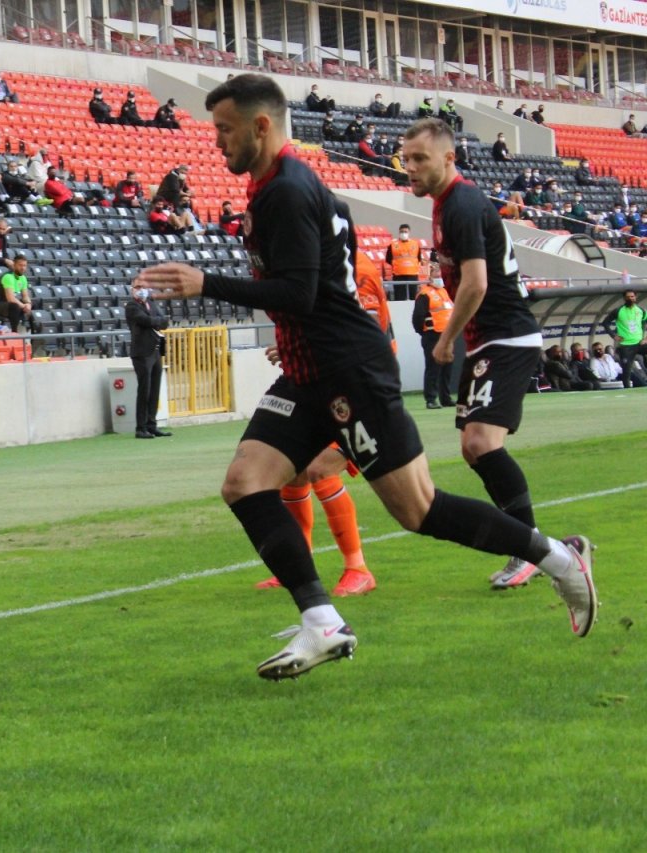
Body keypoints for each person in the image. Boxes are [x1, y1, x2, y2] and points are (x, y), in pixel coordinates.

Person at [135, 74, 596, 680]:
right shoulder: (283, 186)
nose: (216, 139)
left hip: (347, 371)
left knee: (419, 511)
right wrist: (294, 336)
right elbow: (326, 272)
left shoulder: (287, 191)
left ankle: (560, 560)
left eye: (224, 128)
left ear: (262, 125)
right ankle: (322, 623)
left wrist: (207, 284)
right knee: (246, 482)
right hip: (310, 369)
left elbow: (299, 290)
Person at [405, 116, 565, 590]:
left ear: (449, 158)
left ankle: (533, 550)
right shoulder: (443, 204)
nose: (409, 168)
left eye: (420, 159)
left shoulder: (462, 204)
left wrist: (447, 339)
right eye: (406, 159)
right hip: (488, 337)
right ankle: (535, 548)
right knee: (474, 448)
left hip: (506, 335)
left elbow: (476, 283)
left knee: (480, 444)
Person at [258, 241, 386, 598]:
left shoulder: (357, 271)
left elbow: (363, 337)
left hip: (359, 385)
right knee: (291, 469)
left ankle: (358, 568)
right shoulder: (312, 263)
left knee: (320, 468)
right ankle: (297, 566)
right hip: (314, 381)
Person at [125, 285, 170, 439]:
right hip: (142, 352)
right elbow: (144, 320)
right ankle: (141, 427)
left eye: (142, 287)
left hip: (155, 350)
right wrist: (156, 321)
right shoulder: (132, 306)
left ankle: (152, 424)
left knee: (155, 389)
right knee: (145, 390)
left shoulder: (151, 302)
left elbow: (164, 321)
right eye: (137, 287)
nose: (140, 290)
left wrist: (156, 321)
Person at [411, 275, 455, 409]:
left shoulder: (444, 291)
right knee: (433, 368)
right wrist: (424, 331)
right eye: (436, 276)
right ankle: (430, 399)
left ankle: (445, 398)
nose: (439, 278)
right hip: (432, 334)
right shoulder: (424, 294)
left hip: (447, 335)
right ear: (429, 279)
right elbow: (417, 317)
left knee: (447, 367)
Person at [604, 289, 647, 388]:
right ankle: (627, 390)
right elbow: (605, 323)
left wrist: (645, 339)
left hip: (640, 343)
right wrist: (613, 336)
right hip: (626, 346)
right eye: (628, 297)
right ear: (624, 298)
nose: (630, 298)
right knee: (626, 370)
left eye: (632, 296)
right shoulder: (618, 311)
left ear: (635, 297)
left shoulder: (640, 310)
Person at [0, 254, 33, 332]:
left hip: (8, 304)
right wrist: (24, 306)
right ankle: (15, 332)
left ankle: (33, 335)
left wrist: (28, 304)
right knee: (15, 306)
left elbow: (25, 296)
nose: (23, 268)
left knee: (32, 305)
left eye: (25, 265)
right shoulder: (8, 277)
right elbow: (10, 299)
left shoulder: (23, 278)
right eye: (20, 265)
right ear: (14, 265)